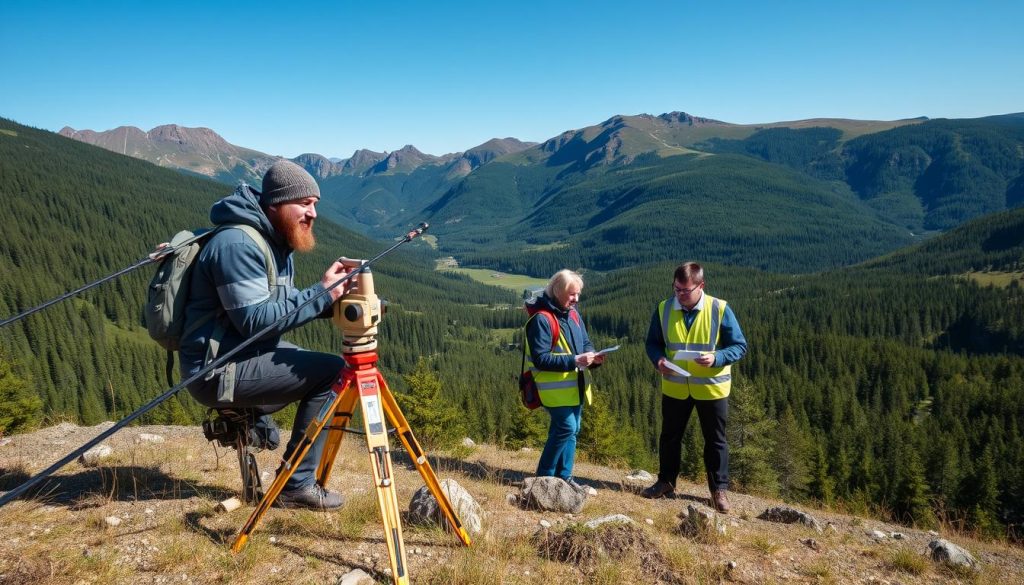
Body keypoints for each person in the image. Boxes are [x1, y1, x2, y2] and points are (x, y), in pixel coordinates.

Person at [180, 159, 355, 510]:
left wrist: (330, 300)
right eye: (304, 203)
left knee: (309, 363)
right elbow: (255, 321)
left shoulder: (275, 241)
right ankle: (296, 485)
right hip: (216, 370)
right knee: (332, 373)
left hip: (238, 356)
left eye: (316, 204)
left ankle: (253, 418)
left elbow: (282, 303)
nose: (313, 213)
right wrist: (322, 292)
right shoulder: (237, 245)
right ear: (275, 204)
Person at [641, 262, 747, 513]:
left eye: (685, 290)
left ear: (701, 286)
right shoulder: (664, 308)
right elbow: (652, 343)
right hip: (676, 386)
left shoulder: (719, 309)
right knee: (669, 437)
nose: (679, 295)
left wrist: (717, 358)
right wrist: (658, 360)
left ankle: (718, 491)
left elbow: (739, 346)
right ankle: (666, 482)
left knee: (716, 441)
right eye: (676, 289)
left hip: (711, 388)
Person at [524, 269, 604, 491]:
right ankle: (544, 478)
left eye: (578, 294)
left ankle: (564, 477)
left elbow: (585, 342)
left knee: (571, 429)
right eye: (572, 294)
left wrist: (594, 357)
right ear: (557, 291)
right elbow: (540, 359)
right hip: (553, 390)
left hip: (575, 387)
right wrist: (576, 360)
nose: (576, 299)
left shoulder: (574, 314)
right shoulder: (541, 319)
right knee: (567, 427)